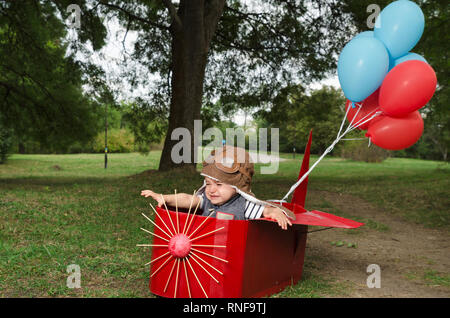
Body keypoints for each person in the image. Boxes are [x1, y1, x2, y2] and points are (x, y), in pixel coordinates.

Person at [141, 145, 295, 230]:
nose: (211, 190)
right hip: (205, 251)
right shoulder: (206, 200)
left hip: (230, 255)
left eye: (219, 184)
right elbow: (188, 199)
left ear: (237, 187)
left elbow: (265, 210)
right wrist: (164, 198)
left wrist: (275, 212)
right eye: (208, 184)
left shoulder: (244, 205)